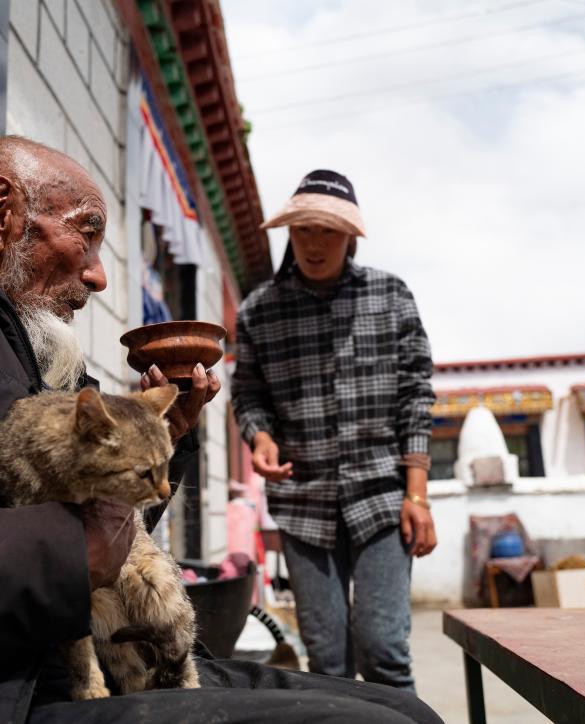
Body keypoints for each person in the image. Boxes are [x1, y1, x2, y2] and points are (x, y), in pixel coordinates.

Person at [0, 137, 441, 724]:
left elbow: (104, 540)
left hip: (109, 661)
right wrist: (66, 548)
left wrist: (158, 443)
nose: (97, 274)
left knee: (405, 708)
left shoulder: (43, 357)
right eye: (85, 234)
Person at [231, 170, 438, 692]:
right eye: (304, 229)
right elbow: (248, 395)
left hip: (382, 499)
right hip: (303, 503)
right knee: (326, 661)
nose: (315, 244)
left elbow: (416, 396)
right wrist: (260, 438)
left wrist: (417, 494)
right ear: (290, 233)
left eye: (329, 231)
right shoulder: (258, 311)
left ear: (350, 237)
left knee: (384, 650)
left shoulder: (390, 296)